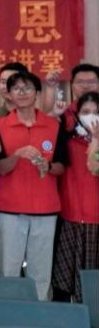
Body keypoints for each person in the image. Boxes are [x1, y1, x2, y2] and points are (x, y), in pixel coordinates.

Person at [0, 71, 67, 300]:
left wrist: (47, 165)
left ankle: (39, 313)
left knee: (41, 271)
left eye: (27, 88)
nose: (22, 92)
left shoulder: (54, 126)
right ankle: (7, 313)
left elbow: (62, 167)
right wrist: (17, 155)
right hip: (9, 208)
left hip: (46, 208)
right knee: (9, 269)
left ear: (37, 93)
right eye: (16, 88)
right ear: (9, 94)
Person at [52, 91, 99, 302]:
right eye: (86, 112)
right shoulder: (69, 142)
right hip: (71, 217)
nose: (92, 117)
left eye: (96, 112)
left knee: (93, 282)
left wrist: (96, 140)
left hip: (96, 219)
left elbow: (93, 166)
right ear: (77, 115)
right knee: (66, 280)